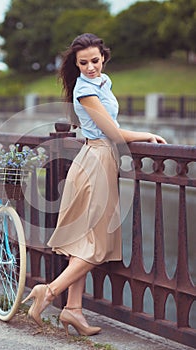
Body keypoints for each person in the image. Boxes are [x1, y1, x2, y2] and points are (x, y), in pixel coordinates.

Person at [22, 33, 167, 336]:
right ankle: (48, 292)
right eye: (83, 63)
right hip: (97, 162)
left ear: (104, 57)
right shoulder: (85, 90)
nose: (90, 67)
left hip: (96, 159)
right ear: (76, 65)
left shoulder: (103, 82)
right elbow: (112, 134)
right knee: (97, 246)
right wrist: (146, 134)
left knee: (83, 240)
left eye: (95, 61)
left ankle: (73, 310)